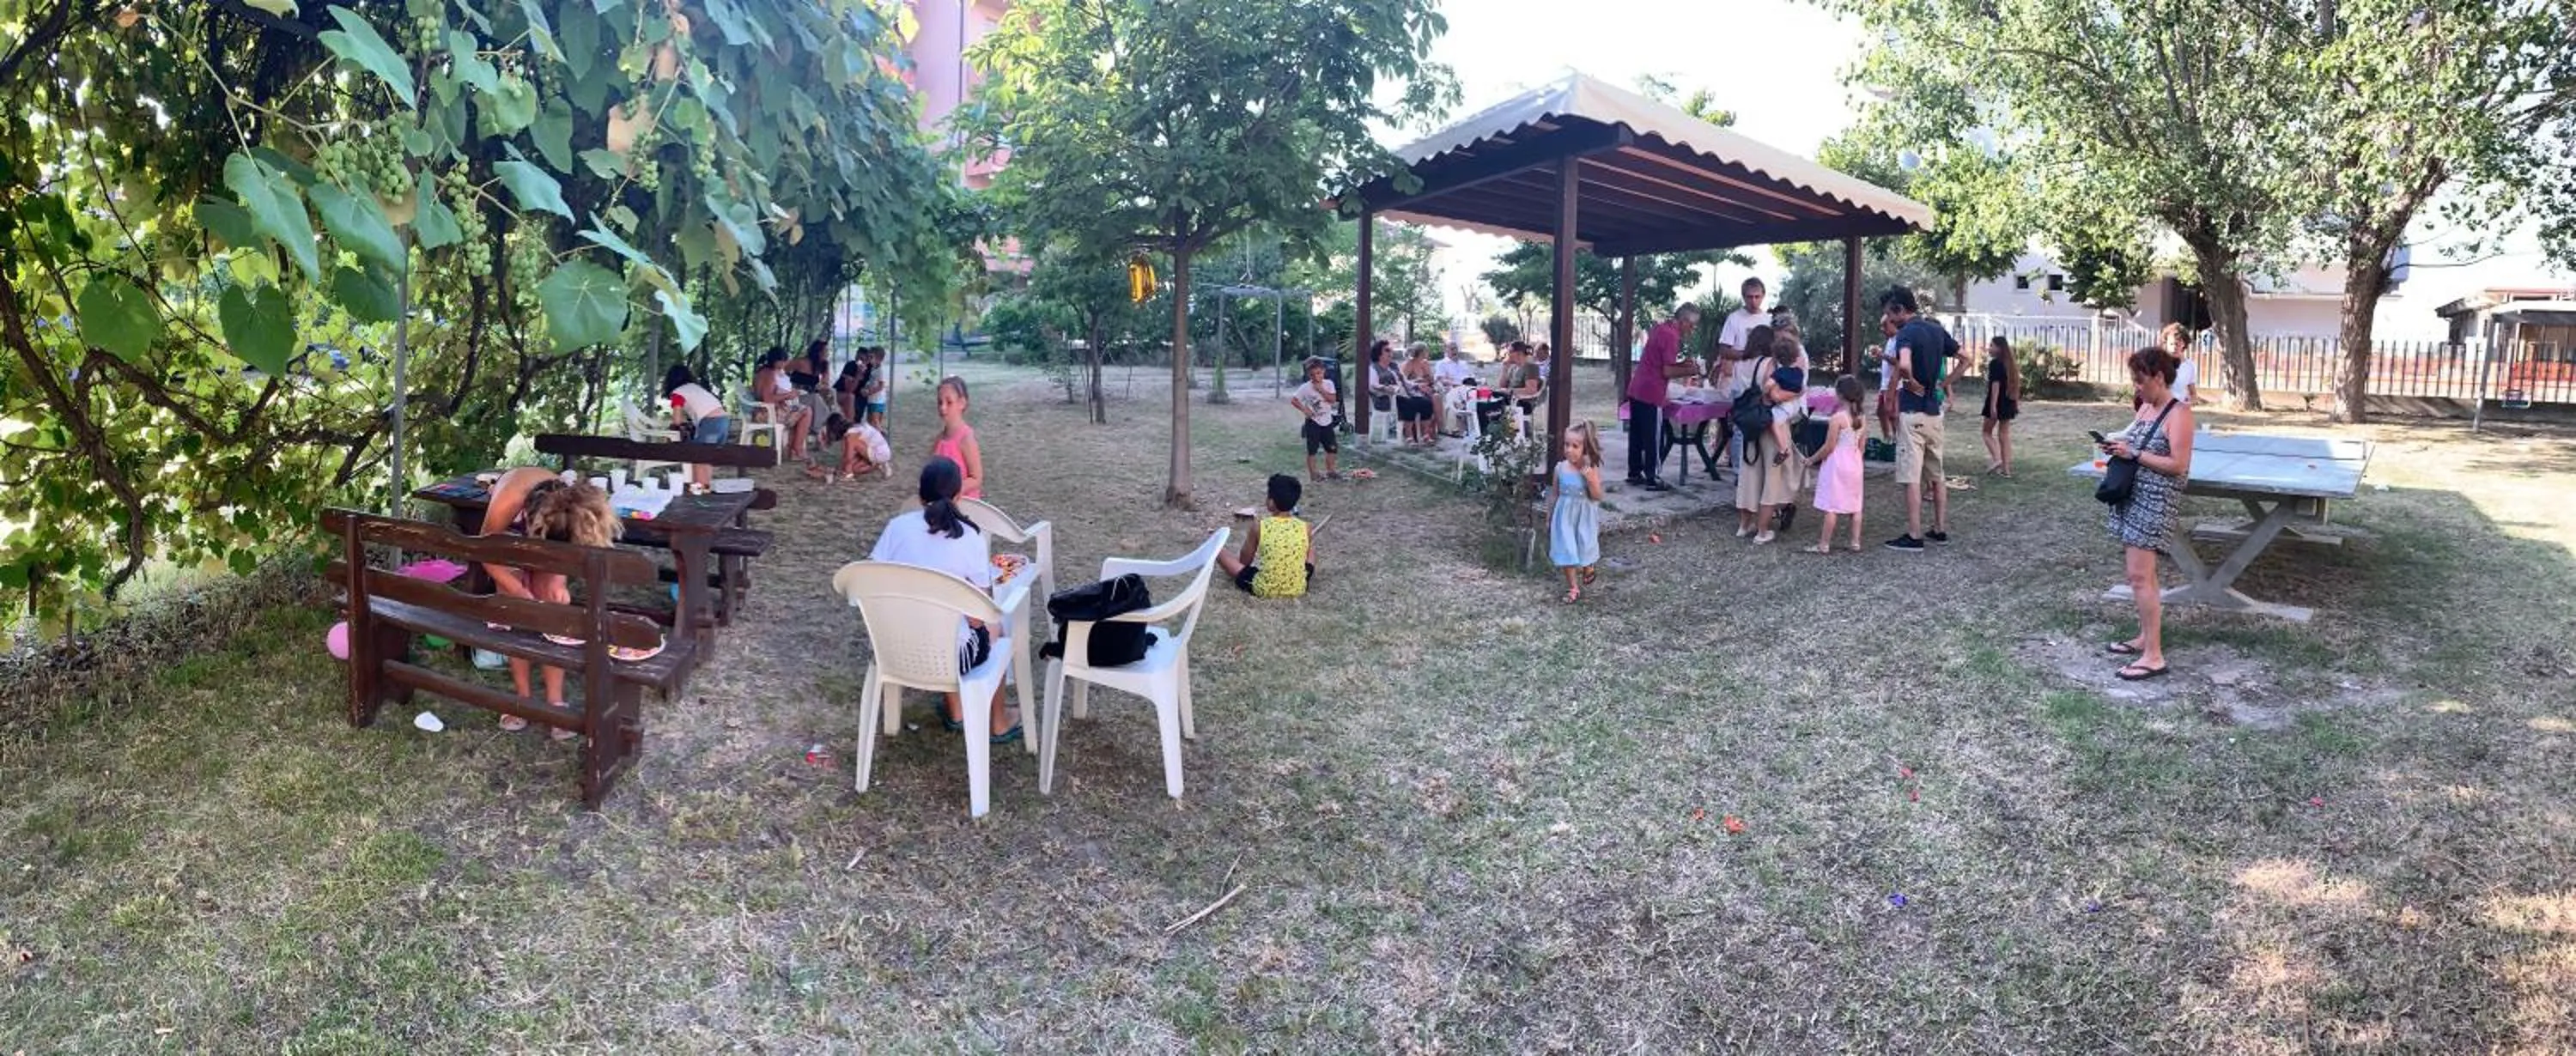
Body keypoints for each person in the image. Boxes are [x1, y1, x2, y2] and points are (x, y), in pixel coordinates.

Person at [868, 457, 1018, 743]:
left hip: (893, 647)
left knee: (942, 619)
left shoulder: (896, 528)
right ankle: (998, 721)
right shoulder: (970, 538)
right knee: (993, 622)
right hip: (949, 658)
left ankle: (956, 708)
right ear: (959, 495)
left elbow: (874, 579)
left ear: (920, 495)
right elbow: (980, 611)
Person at [477, 468, 625, 739]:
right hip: (506, 536)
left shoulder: (572, 510)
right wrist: (519, 591)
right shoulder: (511, 498)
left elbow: (565, 551)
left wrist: (557, 582)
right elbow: (484, 550)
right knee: (515, 611)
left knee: (554, 611)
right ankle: (523, 700)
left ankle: (555, 704)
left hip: (547, 534)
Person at [2102, 347, 2196, 682]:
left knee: (2140, 577)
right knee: (2142, 577)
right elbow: (2132, 443)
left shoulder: (2179, 414)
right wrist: (2116, 447)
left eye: (2141, 381)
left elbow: (2178, 465)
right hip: (2133, 497)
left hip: (2156, 503)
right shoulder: (2146, 409)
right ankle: (2145, 637)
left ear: (2159, 377)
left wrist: (2135, 453)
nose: (2137, 388)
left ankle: (2153, 656)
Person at [1881, 287, 1959, 552]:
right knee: (1937, 474)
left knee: (1911, 476)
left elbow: (1903, 364)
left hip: (1913, 412)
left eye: (1891, 317)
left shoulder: (1907, 333)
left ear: (1900, 310)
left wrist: (1911, 382)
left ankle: (1914, 535)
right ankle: (1939, 529)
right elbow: (1966, 358)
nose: (1891, 322)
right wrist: (1943, 384)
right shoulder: (1936, 330)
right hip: (1934, 414)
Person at [1625, 303, 1699, 491]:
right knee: (1654, 436)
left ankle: (1634, 472)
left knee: (1637, 434)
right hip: (1652, 391)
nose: (1693, 329)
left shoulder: (1660, 328)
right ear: (1683, 321)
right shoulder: (1672, 336)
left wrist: (1682, 364)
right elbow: (1667, 371)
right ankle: (1653, 476)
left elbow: (1661, 363)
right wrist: (1690, 370)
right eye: (1692, 325)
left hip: (1638, 387)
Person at [1735, 363, 1806, 544]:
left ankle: (1744, 526)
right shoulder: (1774, 367)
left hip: (1752, 424)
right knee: (1771, 481)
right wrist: (1797, 394)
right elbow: (1776, 396)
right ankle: (1762, 531)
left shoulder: (1746, 361)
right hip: (1770, 427)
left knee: (1750, 477)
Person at [1218, 474, 1314, 598]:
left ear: (1271, 502)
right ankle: (1293, 579)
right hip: (1298, 587)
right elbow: (1303, 558)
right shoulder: (1306, 527)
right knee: (1311, 550)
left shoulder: (1260, 526)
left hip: (1265, 588)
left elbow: (1245, 561)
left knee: (1219, 552)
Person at [1806, 375, 1868, 554]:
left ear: (1840, 395)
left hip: (1837, 464)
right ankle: (1855, 542)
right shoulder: (1862, 418)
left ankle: (1824, 544)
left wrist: (1812, 459)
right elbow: (1862, 445)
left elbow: (1829, 446)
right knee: (1855, 505)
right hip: (1855, 463)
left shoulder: (1837, 418)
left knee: (1832, 505)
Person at [1549, 420, 1604, 603]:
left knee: (1584, 545)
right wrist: (1550, 516)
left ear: (1585, 448)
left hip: (1584, 516)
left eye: (1575, 446)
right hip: (1564, 516)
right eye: (1566, 444)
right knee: (1567, 550)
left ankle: (1588, 565)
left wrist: (1590, 480)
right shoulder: (1560, 468)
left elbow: (1597, 496)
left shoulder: (1590, 469)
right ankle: (1573, 588)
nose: (1569, 450)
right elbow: (1554, 494)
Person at [662, 364, 732, 490]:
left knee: (698, 457)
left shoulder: (678, 393)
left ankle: (698, 493)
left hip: (711, 423)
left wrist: (670, 433)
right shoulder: (694, 387)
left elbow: (677, 421)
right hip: (724, 420)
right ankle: (705, 488)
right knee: (707, 458)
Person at [928, 375, 983, 500]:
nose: (943, 408)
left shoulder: (966, 438)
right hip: (942, 503)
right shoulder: (939, 439)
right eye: (940, 402)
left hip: (964, 505)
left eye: (949, 402)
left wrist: (957, 489)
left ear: (962, 403)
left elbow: (976, 478)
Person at [753, 349, 811, 460]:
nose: (786, 364)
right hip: (767, 413)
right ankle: (797, 450)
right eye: (784, 361)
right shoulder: (769, 374)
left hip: (764, 411)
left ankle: (791, 448)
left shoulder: (763, 371)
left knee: (798, 410)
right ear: (778, 361)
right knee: (806, 411)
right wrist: (788, 395)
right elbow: (768, 398)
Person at [1290, 357, 1341, 481]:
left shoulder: (1329, 384)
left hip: (1327, 421)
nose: (1316, 377)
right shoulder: (1305, 387)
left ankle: (1331, 470)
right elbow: (1294, 400)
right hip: (1313, 422)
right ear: (1309, 375)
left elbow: (1333, 400)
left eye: (1318, 373)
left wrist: (1321, 390)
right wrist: (1304, 409)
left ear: (1323, 371)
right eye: (1312, 374)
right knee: (1312, 450)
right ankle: (1313, 474)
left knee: (1332, 448)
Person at [805, 412, 890, 482]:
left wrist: (843, 470)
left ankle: (848, 474)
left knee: (848, 464)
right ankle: (878, 465)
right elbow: (848, 456)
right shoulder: (851, 431)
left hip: (879, 451)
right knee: (855, 468)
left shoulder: (851, 434)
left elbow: (848, 457)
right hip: (875, 452)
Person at [1981, 335, 2022, 476]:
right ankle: (2006, 470)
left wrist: (1993, 406)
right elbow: (2016, 386)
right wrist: (2016, 403)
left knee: (1986, 432)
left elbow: (1995, 385)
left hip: (1997, 401)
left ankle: (1997, 459)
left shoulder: (1995, 364)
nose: (1989, 348)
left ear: (1999, 348)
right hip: (2009, 402)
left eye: (1991, 345)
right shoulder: (2011, 365)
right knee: (2004, 435)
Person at [1398, 344, 1438, 445]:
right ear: (1421, 353)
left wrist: (1427, 377)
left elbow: (1431, 380)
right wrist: (1417, 382)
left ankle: (1427, 433)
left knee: (1433, 400)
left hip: (1423, 390)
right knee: (1416, 403)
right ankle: (1410, 434)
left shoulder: (1425, 363)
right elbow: (1403, 381)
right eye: (1426, 351)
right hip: (1410, 392)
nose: (1428, 353)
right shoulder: (1408, 364)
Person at [1873, 316, 1902, 441]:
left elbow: (1899, 362)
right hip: (1884, 383)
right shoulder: (1890, 340)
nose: (1883, 329)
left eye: (1885, 326)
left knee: (1893, 414)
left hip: (1895, 384)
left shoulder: (1899, 340)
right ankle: (1887, 437)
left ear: (1894, 324)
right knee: (1881, 412)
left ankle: (1897, 439)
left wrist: (1882, 355)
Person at [2164, 323, 2202, 404]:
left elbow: (2193, 394)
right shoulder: (2160, 363)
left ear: (2184, 344)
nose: (2174, 347)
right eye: (2171, 344)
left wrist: (2189, 402)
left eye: (2177, 344)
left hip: (2179, 409)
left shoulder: (2189, 366)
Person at [860, 347, 890, 434]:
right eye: (869, 356)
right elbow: (872, 382)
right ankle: (874, 439)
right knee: (870, 422)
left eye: (871, 357)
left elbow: (881, 386)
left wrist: (869, 392)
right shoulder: (873, 369)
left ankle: (882, 434)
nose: (869, 359)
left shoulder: (880, 371)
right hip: (872, 399)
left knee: (875, 422)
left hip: (877, 400)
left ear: (879, 359)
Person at [832, 357, 866, 422]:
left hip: (860, 399)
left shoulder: (871, 370)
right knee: (850, 397)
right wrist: (858, 375)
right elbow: (850, 389)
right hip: (840, 394)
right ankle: (849, 424)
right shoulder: (851, 366)